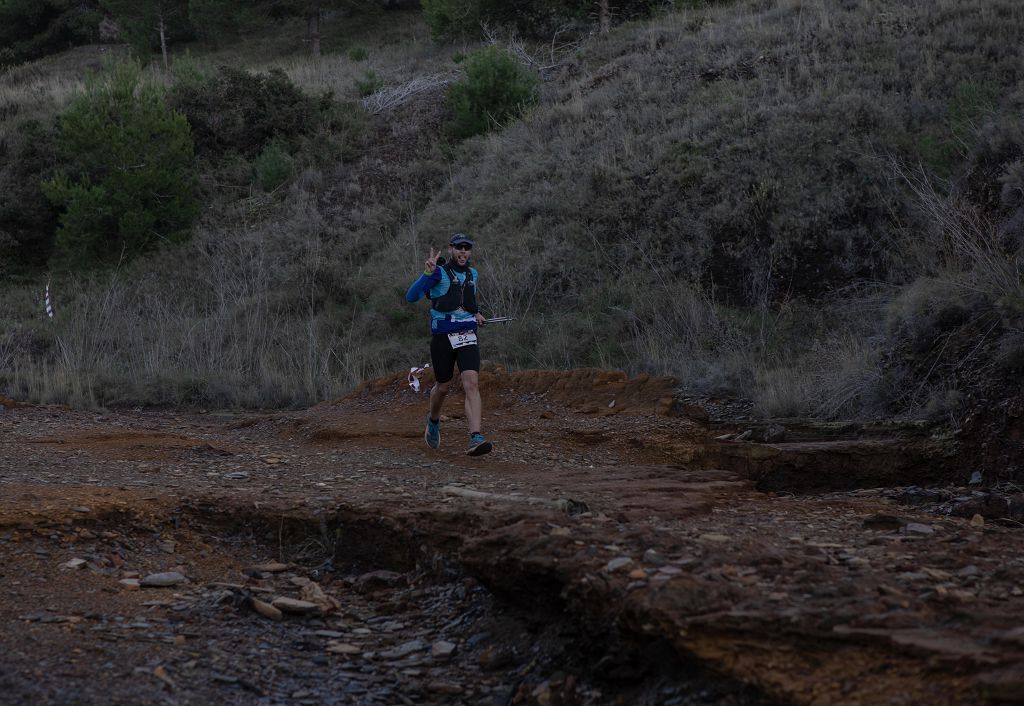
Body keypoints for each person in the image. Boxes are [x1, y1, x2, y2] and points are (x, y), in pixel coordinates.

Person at [405, 233, 492, 456]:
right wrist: (427, 273)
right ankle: (433, 420)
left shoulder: (473, 274)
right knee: (442, 387)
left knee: (471, 383)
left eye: (467, 248)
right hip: (443, 337)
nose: (463, 251)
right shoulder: (439, 273)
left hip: (467, 335)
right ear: (451, 249)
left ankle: (475, 436)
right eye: (459, 247)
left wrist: (477, 314)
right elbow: (411, 297)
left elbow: (466, 301)